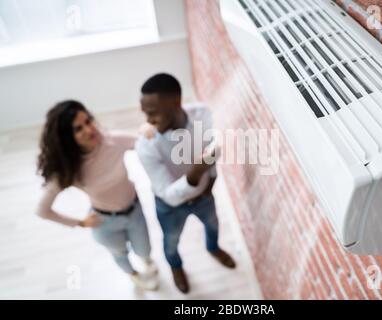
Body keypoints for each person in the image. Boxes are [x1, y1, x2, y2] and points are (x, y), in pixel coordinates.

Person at [36, 100, 158, 290]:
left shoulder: (114, 141)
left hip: (135, 212)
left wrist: (147, 128)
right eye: (78, 129)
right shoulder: (68, 169)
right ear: (67, 138)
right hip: (105, 223)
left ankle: (147, 261)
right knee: (120, 254)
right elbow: (42, 210)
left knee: (145, 249)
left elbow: (145, 141)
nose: (89, 129)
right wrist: (80, 222)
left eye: (88, 121)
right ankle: (134, 275)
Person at [135, 73, 236, 294]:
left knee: (213, 226)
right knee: (171, 243)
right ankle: (176, 268)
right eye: (145, 113)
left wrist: (211, 178)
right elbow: (168, 194)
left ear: (176, 103)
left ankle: (214, 248)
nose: (148, 120)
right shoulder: (146, 146)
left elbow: (213, 148)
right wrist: (196, 172)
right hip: (170, 207)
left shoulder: (201, 114)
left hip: (203, 196)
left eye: (153, 113)